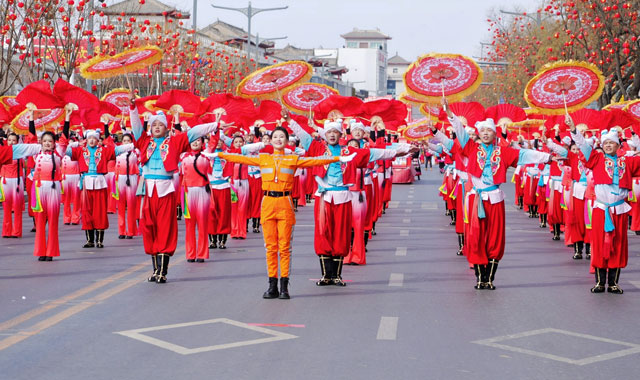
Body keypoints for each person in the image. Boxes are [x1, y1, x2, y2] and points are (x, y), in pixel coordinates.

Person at [209, 126, 350, 299]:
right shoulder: (263, 158)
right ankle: (272, 285)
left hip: (285, 203)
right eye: (275, 137)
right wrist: (220, 155)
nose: (278, 140)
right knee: (270, 248)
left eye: (281, 137)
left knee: (284, 248)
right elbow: (241, 158)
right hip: (267, 203)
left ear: (286, 140)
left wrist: (338, 158)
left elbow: (316, 161)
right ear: (271, 140)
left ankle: (284, 286)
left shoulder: (293, 158)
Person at [433, 97, 555, 290]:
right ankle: (479, 278)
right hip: (475, 199)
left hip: (495, 199)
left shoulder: (503, 152)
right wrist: (449, 113)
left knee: (495, 238)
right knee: (476, 237)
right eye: (483, 131)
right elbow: (460, 131)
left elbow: (524, 155)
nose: (486, 133)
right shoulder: (471, 147)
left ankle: (489, 279)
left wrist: (547, 157)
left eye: (489, 130)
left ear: (494, 133)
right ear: (479, 134)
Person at [288, 112, 414, 286]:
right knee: (323, 233)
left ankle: (337, 275)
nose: (332, 134)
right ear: (325, 134)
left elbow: (375, 153)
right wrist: (289, 120)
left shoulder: (350, 151)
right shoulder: (317, 148)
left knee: (340, 233)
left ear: (341, 135)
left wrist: (403, 150)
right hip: (323, 197)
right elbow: (302, 135)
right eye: (329, 131)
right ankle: (326, 275)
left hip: (343, 197)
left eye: (335, 132)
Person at [128, 93, 220, 284]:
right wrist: (133, 107)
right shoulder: (144, 141)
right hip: (147, 190)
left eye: (160, 125)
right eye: (153, 125)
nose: (156, 128)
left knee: (165, 228)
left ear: (166, 127)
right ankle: (155, 270)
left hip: (165, 190)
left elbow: (194, 132)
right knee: (149, 228)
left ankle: (163, 271)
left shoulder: (175, 142)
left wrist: (214, 125)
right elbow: (136, 126)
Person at [569, 116, 640, 294]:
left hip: (619, 210)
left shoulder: (628, 161)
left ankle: (613, 283)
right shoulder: (597, 159)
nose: (608, 145)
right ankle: (600, 282)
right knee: (599, 243)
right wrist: (574, 131)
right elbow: (584, 148)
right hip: (601, 209)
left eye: (612, 143)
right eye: (605, 143)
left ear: (618, 146)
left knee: (618, 244)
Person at [63, 119, 133, 249]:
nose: (91, 140)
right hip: (86, 182)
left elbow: (117, 150)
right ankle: (90, 240)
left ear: (97, 140)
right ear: (86, 139)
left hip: (100, 183)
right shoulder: (80, 150)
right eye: (89, 138)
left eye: (94, 138)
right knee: (86, 211)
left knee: (100, 211)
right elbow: (64, 150)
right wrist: (74, 143)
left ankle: (100, 240)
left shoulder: (104, 150)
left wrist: (132, 145)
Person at [180, 137, 212, 262]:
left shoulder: (206, 155)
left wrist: (216, 127)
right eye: (193, 140)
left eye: (198, 140)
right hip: (187, 192)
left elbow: (214, 142)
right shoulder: (183, 156)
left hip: (202, 191)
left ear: (203, 143)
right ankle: (190, 253)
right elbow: (177, 142)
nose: (195, 142)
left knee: (203, 224)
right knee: (189, 225)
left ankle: (202, 254)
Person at [114, 133, 140, 239]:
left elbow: (140, 142)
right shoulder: (118, 153)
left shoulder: (135, 152)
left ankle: (131, 231)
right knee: (120, 206)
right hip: (120, 179)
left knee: (131, 206)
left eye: (128, 141)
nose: (126, 143)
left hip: (132, 179)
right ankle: (122, 231)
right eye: (124, 141)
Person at [1, 133, 25, 238]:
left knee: (17, 207)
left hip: (16, 181)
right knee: (6, 207)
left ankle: (17, 231)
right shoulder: (3, 152)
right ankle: (6, 231)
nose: (11, 142)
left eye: (13, 140)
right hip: (5, 181)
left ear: (17, 141)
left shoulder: (20, 153)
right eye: (9, 140)